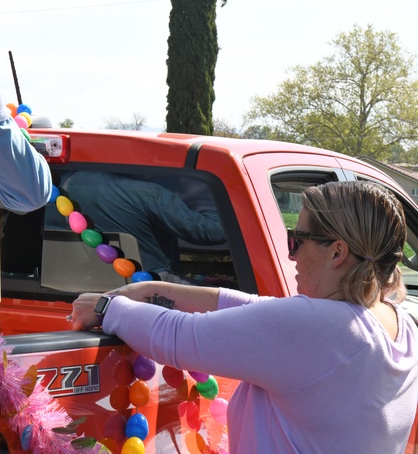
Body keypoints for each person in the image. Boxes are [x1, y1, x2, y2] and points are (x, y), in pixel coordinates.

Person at [70, 180, 418, 453]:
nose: (292, 255)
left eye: (298, 240)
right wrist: (149, 292)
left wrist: (105, 307)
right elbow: (257, 307)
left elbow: (177, 337)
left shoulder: (327, 327)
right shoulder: (400, 323)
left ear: (337, 252)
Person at [49, 171, 226, 277]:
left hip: (74, 292)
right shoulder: (149, 193)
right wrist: (202, 193)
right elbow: (212, 231)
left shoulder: (42, 197)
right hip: (150, 298)